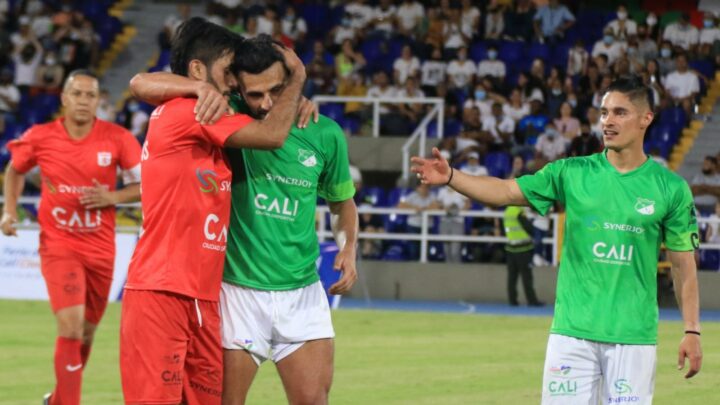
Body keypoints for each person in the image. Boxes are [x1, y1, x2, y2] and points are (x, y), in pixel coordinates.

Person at [412, 76, 702, 403]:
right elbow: (506, 190)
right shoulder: (571, 172)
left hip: (633, 337)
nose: (607, 121)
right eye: (604, 112)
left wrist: (691, 330)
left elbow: (683, 267)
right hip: (571, 336)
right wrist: (451, 176)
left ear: (645, 119)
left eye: (619, 113)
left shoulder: (671, 189)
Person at [131, 34, 358, 404]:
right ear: (237, 85)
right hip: (236, 291)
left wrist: (348, 248)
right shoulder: (224, 113)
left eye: (277, 90)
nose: (267, 103)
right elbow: (141, 82)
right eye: (255, 95)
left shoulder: (326, 133)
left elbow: (342, 203)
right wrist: (198, 87)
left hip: (302, 291)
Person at [1, 70, 142, 405]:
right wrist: (8, 211)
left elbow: (146, 184)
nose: (83, 101)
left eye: (90, 95)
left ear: (99, 101)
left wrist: (113, 198)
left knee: (86, 333)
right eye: (77, 94)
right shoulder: (40, 136)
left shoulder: (118, 138)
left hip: (101, 249)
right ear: (64, 98)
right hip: (59, 245)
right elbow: (15, 170)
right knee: (71, 328)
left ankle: (58, 401)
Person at [503, 205, 543, 307]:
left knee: (512, 277)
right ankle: (532, 300)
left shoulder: (507, 211)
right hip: (523, 249)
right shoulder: (518, 211)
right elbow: (528, 228)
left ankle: (512, 300)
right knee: (527, 277)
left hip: (510, 247)